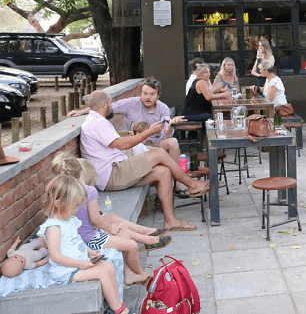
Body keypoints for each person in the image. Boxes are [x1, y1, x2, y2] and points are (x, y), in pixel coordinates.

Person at [79, 90, 210, 232]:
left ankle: (170, 221)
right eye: (110, 103)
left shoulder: (97, 121)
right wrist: (149, 132)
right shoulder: (96, 123)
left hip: (117, 170)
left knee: (163, 172)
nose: (112, 106)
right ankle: (191, 184)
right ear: (104, 105)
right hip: (112, 174)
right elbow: (122, 144)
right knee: (159, 153)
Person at [50, 153, 158, 286]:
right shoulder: (88, 191)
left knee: (122, 234)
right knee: (131, 245)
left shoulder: (59, 192)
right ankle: (140, 273)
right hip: (89, 239)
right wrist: (110, 228)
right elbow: (95, 220)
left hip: (78, 238)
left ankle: (131, 272)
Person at [37, 174, 132, 314]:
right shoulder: (54, 227)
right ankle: (119, 310)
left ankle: (114, 304)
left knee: (109, 266)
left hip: (79, 262)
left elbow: (76, 240)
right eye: (74, 206)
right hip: (66, 270)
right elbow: (55, 256)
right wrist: (78, 264)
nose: (76, 210)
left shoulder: (70, 219)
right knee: (102, 272)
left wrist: (89, 251)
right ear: (58, 203)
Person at [69, 77, 186, 165]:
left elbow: (166, 134)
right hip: (133, 144)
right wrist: (81, 112)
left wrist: (171, 125)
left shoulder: (163, 108)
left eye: (152, 94)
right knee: (158, 157)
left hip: (155, 142)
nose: (148, 97)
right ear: (140, 93)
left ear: (158, 95)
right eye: (144, 94)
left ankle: (178, 185)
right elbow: (105, 106)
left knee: (173, 142)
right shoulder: (131, 103)